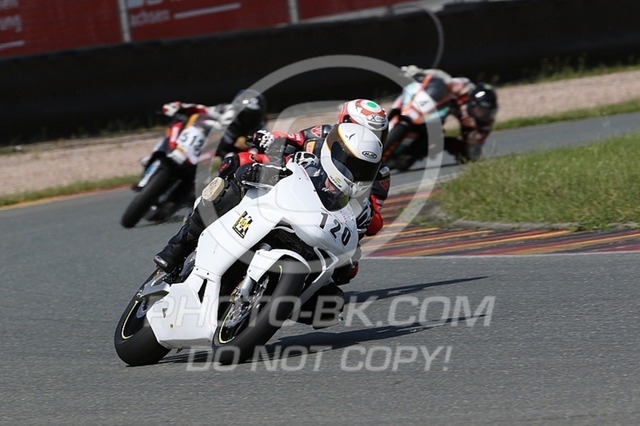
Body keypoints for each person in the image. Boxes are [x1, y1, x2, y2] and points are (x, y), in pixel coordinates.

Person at [154, 123, 384, 328]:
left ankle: (268, 308)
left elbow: (366, 228)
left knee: (332, 304)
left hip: (313, 238)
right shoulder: (316, 144)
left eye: (363, 170)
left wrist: (349, 256)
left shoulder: (368, 194)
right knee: (231, 182)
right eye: (348, 163)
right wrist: (267, 150)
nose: (353, 173)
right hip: (278, 203)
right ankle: (178, 247)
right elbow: (288, 142)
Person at [400, 66, 498, 162]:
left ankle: (411, 154)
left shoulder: (485, 122)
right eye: (480, 109)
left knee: (466, 155)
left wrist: (472, 144)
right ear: (473, 102)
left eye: (486, 111)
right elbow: (442, 77)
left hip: (450, 122)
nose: (482, 114)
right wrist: (419, 72)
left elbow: (476, 144)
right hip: (439, 106)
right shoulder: (462, 87)